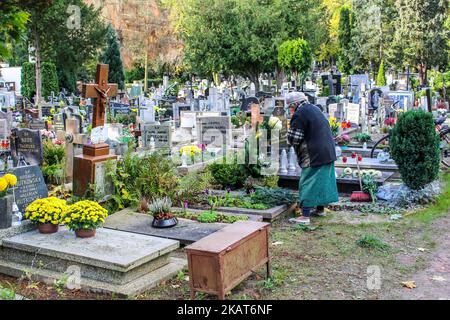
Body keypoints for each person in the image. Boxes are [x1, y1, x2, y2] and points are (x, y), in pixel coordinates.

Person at [286, 92, 339, 225]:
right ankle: (320, 209)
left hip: (313, 153)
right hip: (327, 151)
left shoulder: (300, 113)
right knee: (322, 182)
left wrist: (287, 139)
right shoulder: (314, 108)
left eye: (289, 107)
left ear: (295, 104)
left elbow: (295, 138)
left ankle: (304, 216)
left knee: (308, 182)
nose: (290, 110)